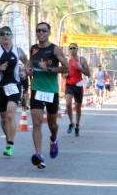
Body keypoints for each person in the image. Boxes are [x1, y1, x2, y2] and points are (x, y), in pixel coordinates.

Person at [26, 22, 69, 169]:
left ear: (49, 32)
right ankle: (38, 155)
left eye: (44, 30)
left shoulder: (55, 49)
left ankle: (53, 139)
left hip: (51, 91)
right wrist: (28, 70)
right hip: (37, 89)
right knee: (37, 123)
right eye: (38, 30)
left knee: (52, 124)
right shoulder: (34, 49)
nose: (41, 33)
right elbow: (29, 63)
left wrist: (49, 69)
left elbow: (66, 68)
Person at [0, 26, 28, 156]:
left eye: (8, 34)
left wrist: (24, 71)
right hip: (0, 88)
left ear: (12, 36)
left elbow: (27, 62)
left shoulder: (18, 51)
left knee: (11, 114)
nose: (5, 36)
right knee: (4, 118)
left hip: (14, 86)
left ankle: (10, 143)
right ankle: (9, 139)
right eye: (2, 34)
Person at [64, 43, 90, 137]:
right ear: (69, 50)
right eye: (70, 48)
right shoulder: (66, 60)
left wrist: (79, 67)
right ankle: (71, 123)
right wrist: (65, 75)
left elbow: (88, 73)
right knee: (68, 104)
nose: (72, 49)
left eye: (74, 48)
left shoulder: (82, 59)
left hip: (78, 85)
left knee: (78, 107)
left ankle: (77, 126)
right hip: (69, 85)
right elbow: (63, 73)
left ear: (77, 49)